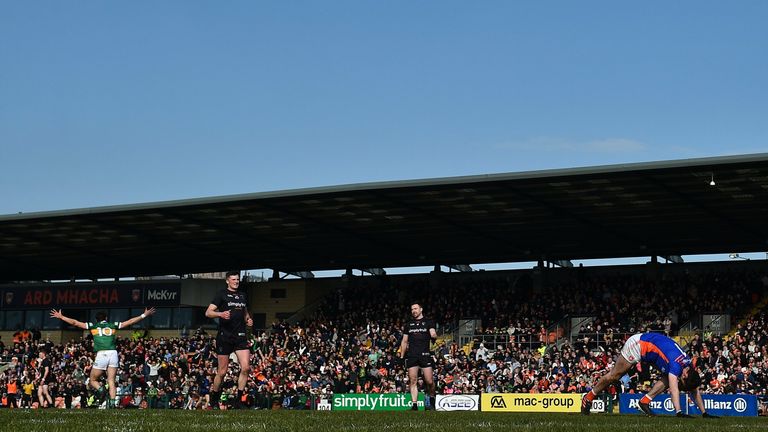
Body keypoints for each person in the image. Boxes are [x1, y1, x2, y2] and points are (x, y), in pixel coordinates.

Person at [581, 332, 718, 418]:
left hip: (651, 346)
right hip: (638, 345)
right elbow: (674, 389)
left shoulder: (687, 368)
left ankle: (644, 402)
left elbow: (694, 389)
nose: (680, 382)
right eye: (682, 381)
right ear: (686, 374)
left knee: (667, 378)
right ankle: (589, 397)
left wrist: (704, 413)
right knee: (614, 376)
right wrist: (679, 412)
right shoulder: (677, 366)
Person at [50, 307, 156, 408]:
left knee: (92, 380)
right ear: (106, 318)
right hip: (113, 353)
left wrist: (62, 317)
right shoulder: (112, 325)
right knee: (111, 380)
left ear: (97, 320)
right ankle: (113, 404)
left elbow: (75, 323)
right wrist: (144, 315)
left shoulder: (93, 326)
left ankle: (101, 390)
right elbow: (129, 322)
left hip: (102, 354)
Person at [205, 271, 253, 409]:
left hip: (241, 335)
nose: (236, 281)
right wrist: (220, 314)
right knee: (222, 372)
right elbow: (208, 312)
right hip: (225, 336)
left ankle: (238, 400)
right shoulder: (221, 294)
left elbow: (245, 312)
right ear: (227, 281)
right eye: (233, 279)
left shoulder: (243, 295)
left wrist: (248, 319)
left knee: (246, 368)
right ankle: (214, 397)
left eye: (238, 279)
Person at [399, 302, 437, 411]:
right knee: (413, 380)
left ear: (421, 309)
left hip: (425, 354)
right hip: (412, 355)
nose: (413, 311)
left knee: (429, 381)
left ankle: (431, 398)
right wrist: (402, 357)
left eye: (415, 309)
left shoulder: (428, 321)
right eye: (412, 309)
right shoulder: (408, 324)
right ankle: (414, 405)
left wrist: (434, 335)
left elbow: (433, 332)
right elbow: (404, 341)